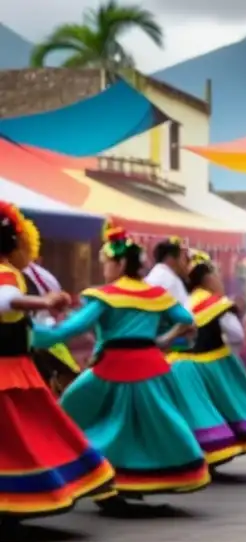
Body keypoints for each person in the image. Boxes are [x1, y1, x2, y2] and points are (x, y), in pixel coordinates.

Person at [31, 227, 211, 500]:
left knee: (70, 412)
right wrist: (161, 341)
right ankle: (135, 481)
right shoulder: (155, 295)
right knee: (151, 426)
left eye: (106, 263)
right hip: (151, 370)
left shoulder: (106, 296)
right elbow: (187, 321)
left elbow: (70, 330)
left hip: (112, 368)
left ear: (120, 263)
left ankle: (94, 475)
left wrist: (31, 331)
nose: (104, 269)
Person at [0, 202, 114, 521]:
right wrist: (43, 301)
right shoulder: (7, 272)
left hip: (20, 362)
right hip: (10, 370)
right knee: (36, 432)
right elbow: (5, 301)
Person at [172, 251, 246, 458]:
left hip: (180, 364)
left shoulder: (186, 302)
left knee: (197, 412)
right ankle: (221, 445)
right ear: (207, 278)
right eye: (216, 275)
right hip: (212, 362)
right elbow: (236, 335)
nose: (218, 279)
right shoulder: (215, 304)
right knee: (232, 404)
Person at [12, 213, 81, 396]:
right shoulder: (13, 274)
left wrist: (50, 303)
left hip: (39, 344)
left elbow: (55, 308)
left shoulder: (40, 277)